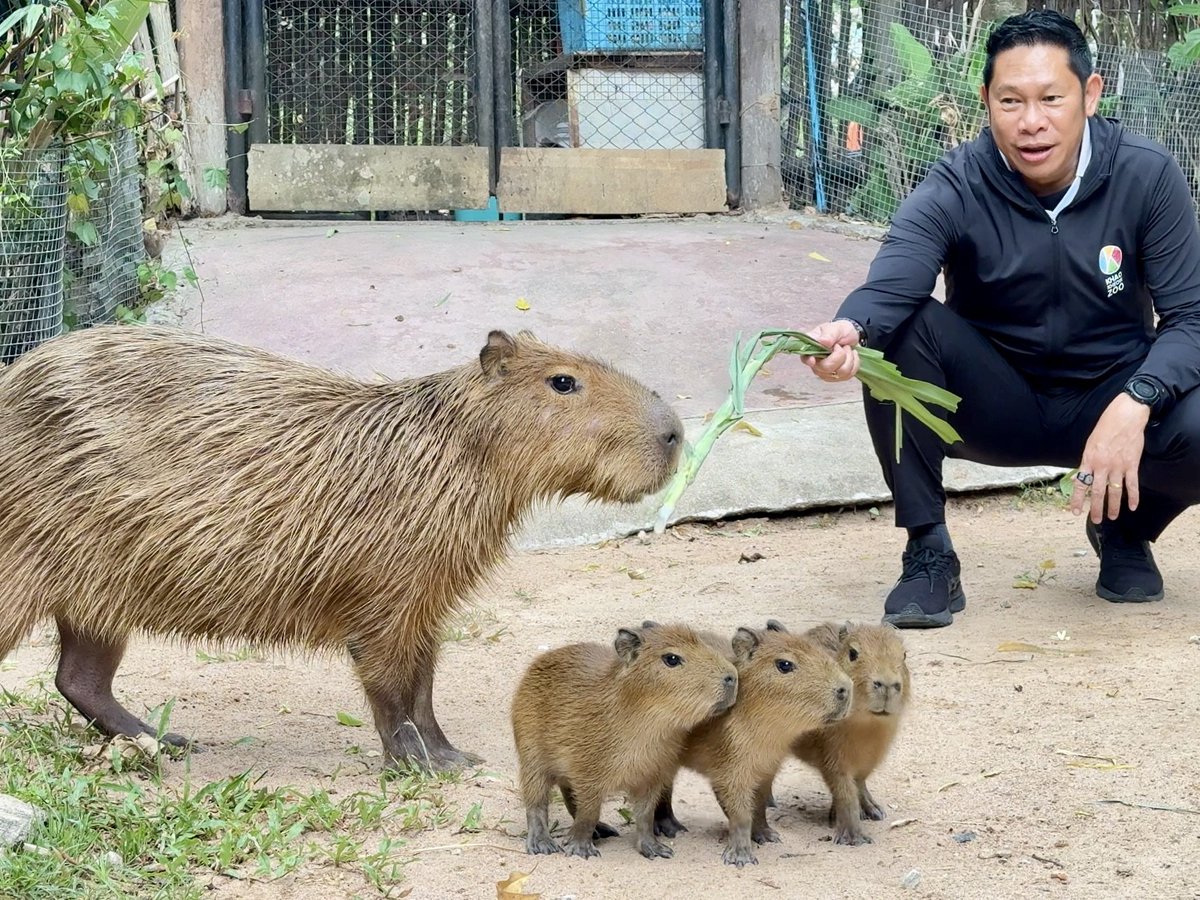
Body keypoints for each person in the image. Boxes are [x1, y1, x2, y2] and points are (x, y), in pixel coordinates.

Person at [801, 9, 1200, 628]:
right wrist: (849, 331)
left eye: (1051, 98)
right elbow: (895, 279)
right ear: (986, 100)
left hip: (1110, 396)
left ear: (1090, 95)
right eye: (1011, 100)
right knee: (901, 332)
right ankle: (929, 551)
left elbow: (1191, 318)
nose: (1031, 122)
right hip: (994, 401)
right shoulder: (958, 180)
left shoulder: (1146, 175)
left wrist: (1137, 399)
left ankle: (1125, 526)